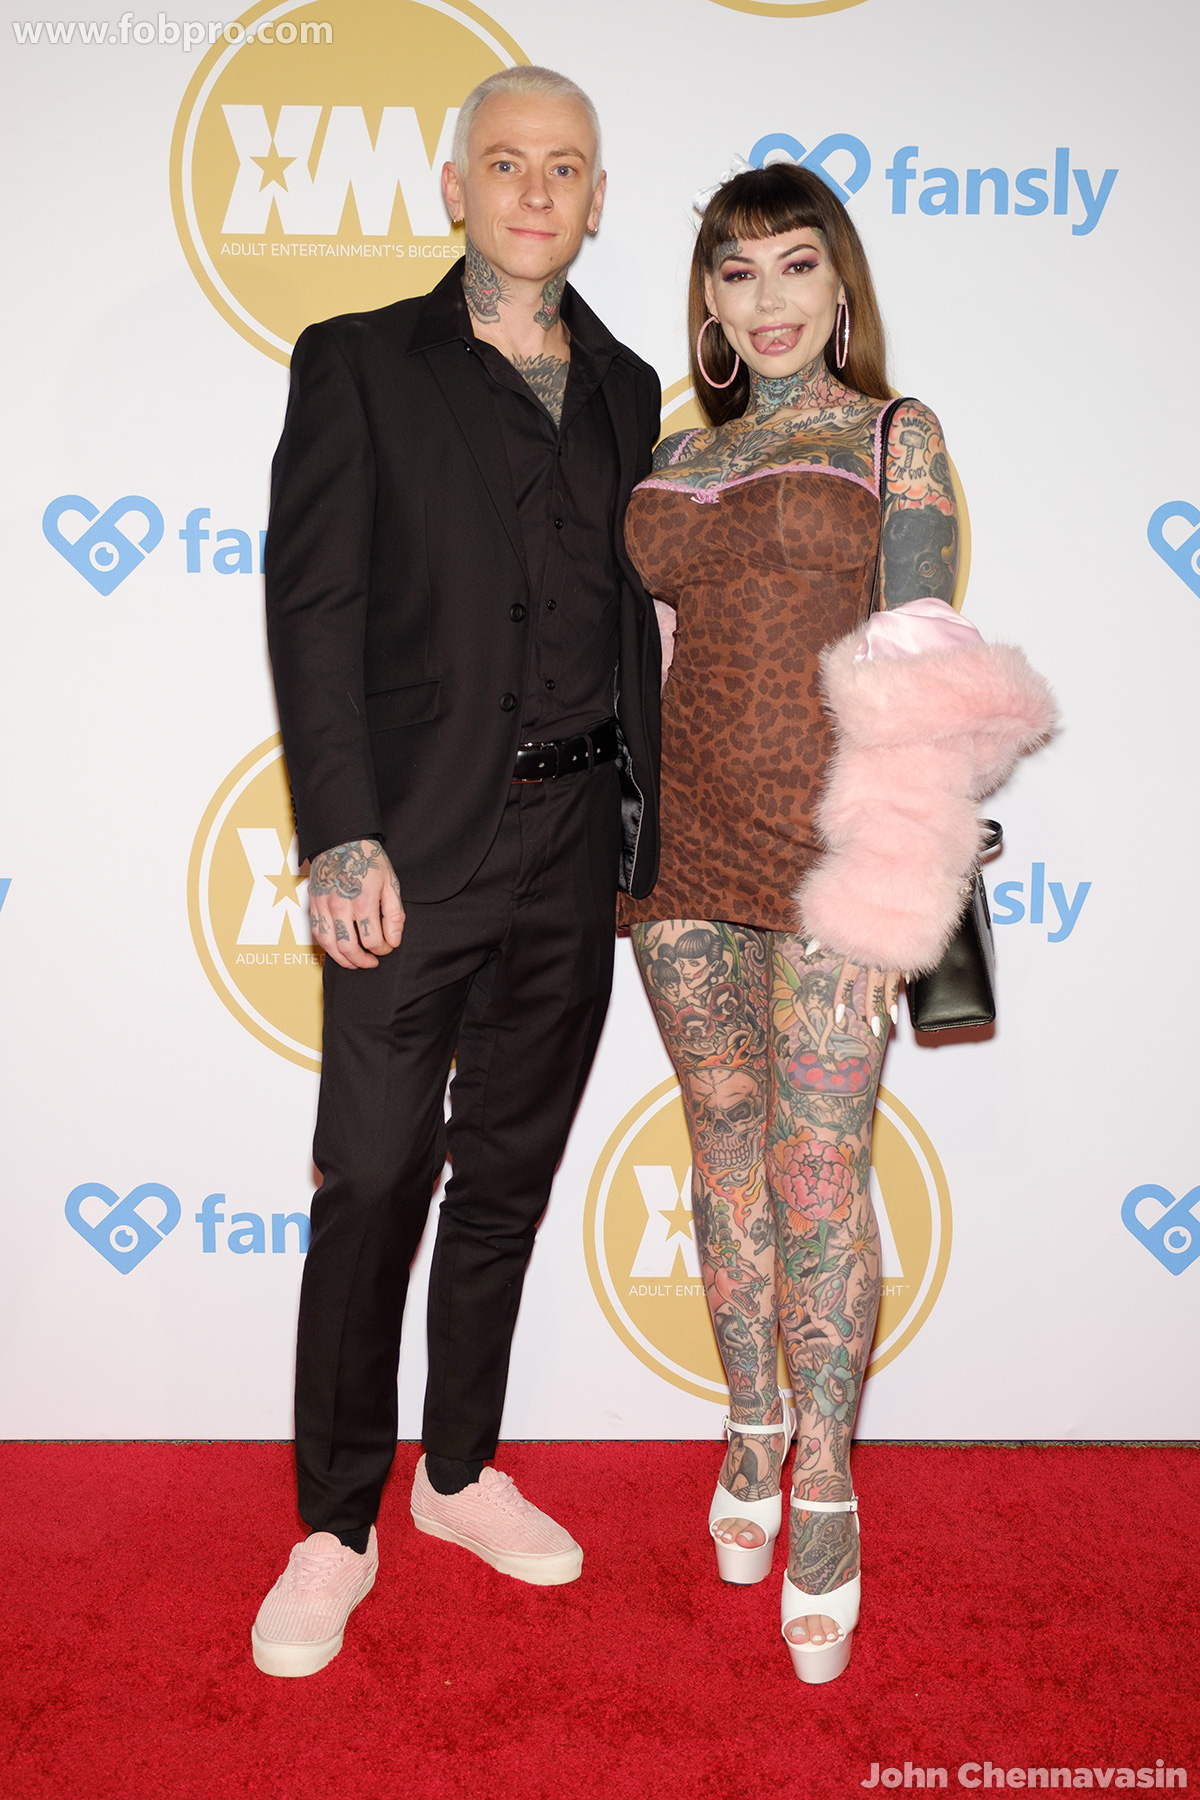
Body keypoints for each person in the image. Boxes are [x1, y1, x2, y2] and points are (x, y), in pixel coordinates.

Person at [252, 66, 661, 1678]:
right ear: (453, 187)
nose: (535, 190)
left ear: (597, 198)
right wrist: (339, 830)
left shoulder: (628, 384)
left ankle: (460, 1468)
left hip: (576, 845)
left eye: (565, 167)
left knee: (504, 1176)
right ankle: (334, 1523)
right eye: (506, 162)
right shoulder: (358, 361)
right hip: (409, 849)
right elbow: (313, 609)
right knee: (371, 1178)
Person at [620, 160, 956, 1684]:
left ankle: (825, 1478)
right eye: (737, 272)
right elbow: (648, 653)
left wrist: (904, 868)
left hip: (833, 861)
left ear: (839, 287)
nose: (767, 301)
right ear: (707, 297)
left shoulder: (895, 437)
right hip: (680, 854)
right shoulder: (671, 456)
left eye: (796, 267)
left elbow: (924, 662)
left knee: (819, 1173)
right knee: (726, 1154)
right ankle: (750, 1425)